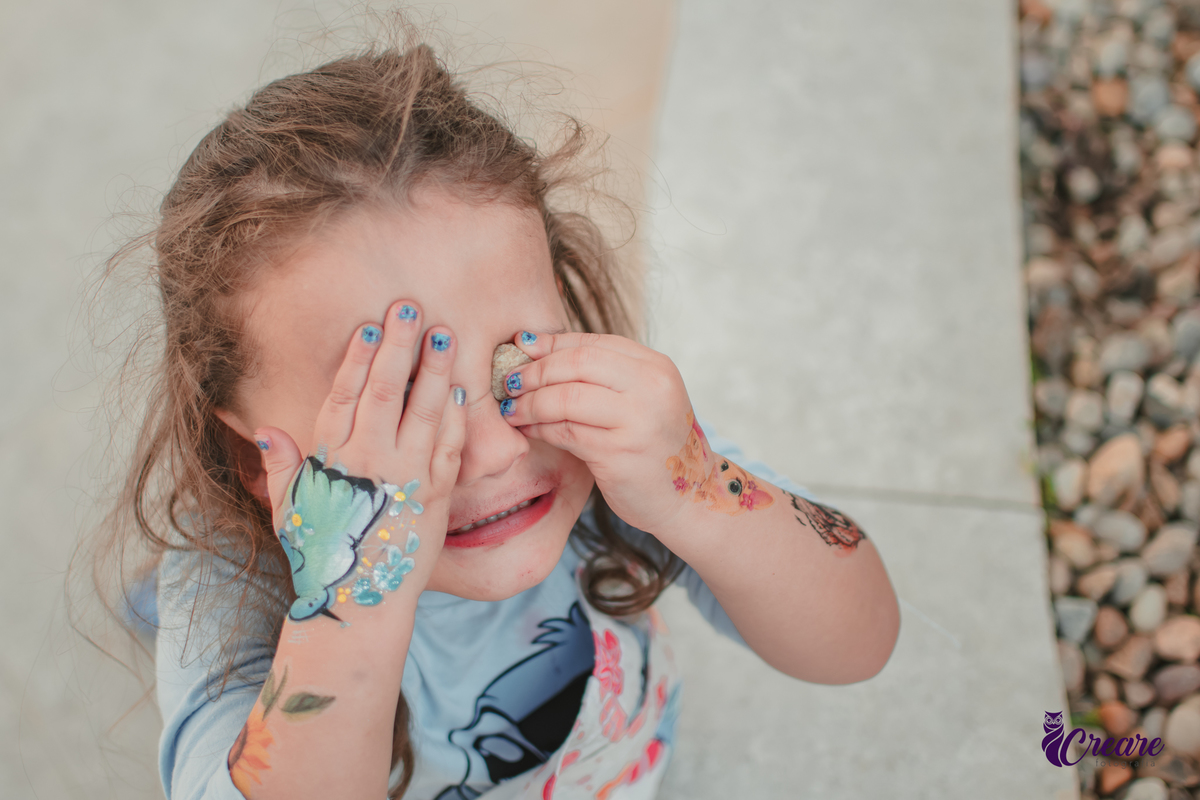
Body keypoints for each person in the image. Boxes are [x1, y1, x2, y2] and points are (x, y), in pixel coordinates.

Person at [97, 24, 899, 800]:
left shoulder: (607, 452)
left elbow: (859, 644)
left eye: (516, 364)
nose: (490, 453)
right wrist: (350, 601)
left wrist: (700, 495)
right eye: (403, 409)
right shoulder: (230, 592)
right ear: (249, 454)